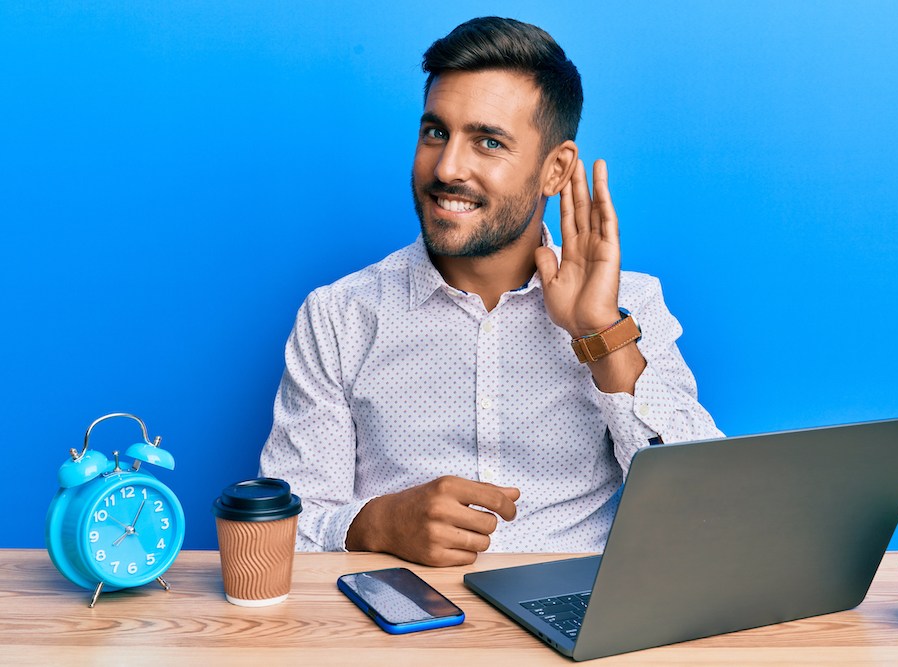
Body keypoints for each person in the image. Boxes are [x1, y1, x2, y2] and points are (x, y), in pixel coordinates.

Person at [259, 16, 721, 566]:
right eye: (436, 132)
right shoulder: (339, 316)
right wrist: (376, 524)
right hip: (397, 627)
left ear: (556, 171)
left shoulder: (632, 307)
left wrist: (602, 335)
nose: (448, 167)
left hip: (579, 620)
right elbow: (276, 532)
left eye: (488, 142)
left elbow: (707, 505)